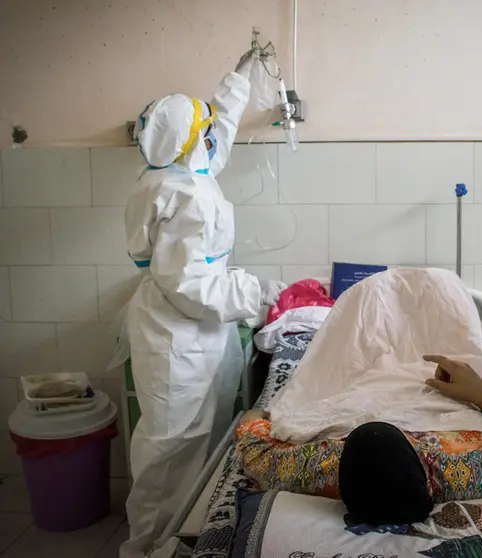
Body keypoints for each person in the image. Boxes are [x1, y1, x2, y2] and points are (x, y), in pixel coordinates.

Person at [120, 52, 284, 558]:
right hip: (179, 336)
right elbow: (190, 286)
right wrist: (258, 294)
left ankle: (181, 539)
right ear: (192, 140)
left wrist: (238, 78)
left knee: (195, 446)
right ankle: (150, 547)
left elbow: (218, 131)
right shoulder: (183, 195)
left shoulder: (182, 168)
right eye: (205, 129)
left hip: (190, 332)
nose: (214, 135)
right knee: (171, 455)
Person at [236, 355, 482, 525]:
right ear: (428, 470)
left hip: (361, 394)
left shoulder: (315, 468)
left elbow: (254, 445)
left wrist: (258, 414)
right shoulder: (467, 470)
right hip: (440, 408)